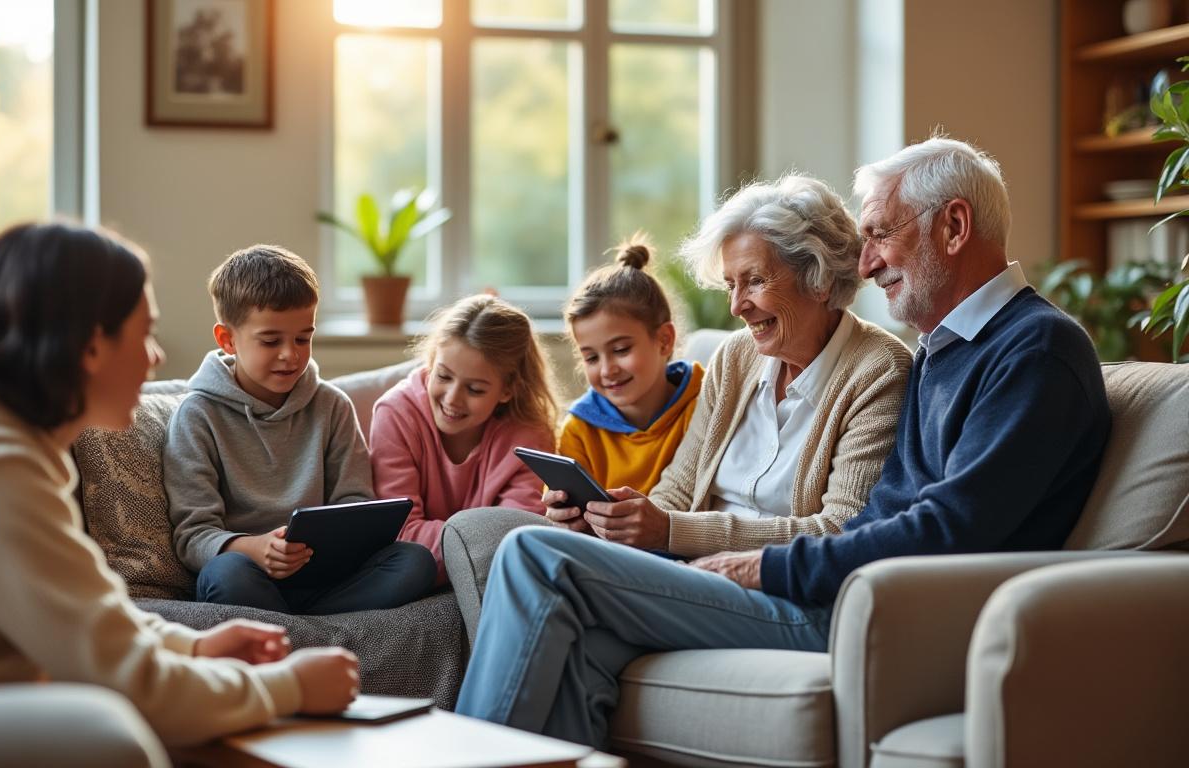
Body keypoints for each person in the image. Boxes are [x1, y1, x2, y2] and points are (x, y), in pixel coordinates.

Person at [456, 138, 1111, 749]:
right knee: (579, 642)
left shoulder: (1031, 351)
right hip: (833, 589)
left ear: (954, 226)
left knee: (534, 554)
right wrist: (619, 519)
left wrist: (759, 564)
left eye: (881, 232)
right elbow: (894, 512)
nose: (869, 258)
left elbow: (944, 527)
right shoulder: (945, 348)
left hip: (853, 605)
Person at [0, 222, 361, 747]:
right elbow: (129, 683)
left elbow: (92, 620)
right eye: (146, 333)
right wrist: (288, 686)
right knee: (105, 730)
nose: (156, 357)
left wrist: (195, 649)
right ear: (93, 347)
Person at [546, 175, 911, 552]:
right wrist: (612, 526)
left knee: (530, 553)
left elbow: (840, 530)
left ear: (818, 279)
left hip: (775, 588)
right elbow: (677, 491)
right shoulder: (735, 357)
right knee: (534, 542)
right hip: (689, 572)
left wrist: (672, 532)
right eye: (730, 286)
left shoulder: (879, 370)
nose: (737, 307)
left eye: (754, 281)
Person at [164, 244, 435, 614]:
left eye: (303, 338)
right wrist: (253, 547)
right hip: (250, 571)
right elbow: (193, 536)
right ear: (227, 339)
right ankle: (319, 632)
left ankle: (300, 630)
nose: (290, 354)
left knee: (414, 561)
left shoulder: (332, 405)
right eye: (271, 341)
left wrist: (338, 540)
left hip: (327, 575)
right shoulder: (197, 416)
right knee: (224, 574)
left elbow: (354, 501)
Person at [370, 294, 558, 582]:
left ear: (507, 391)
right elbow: (400, 533)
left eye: (475, 390)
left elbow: (515, 539)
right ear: (432, 362)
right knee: (410, 565)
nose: (452, 399)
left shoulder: (529, 434)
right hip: (416, 569)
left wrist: (469, 548)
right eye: (443, 377)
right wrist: (478, 545)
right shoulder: (395, 413)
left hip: (488, 574)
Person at [557, 234, 704, 494]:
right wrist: (561, 516)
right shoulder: (578, 430)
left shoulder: (706, 402)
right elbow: (560, 512)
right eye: (591, 357)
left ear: (664, 340)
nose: (606, 370)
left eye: (621, 350)